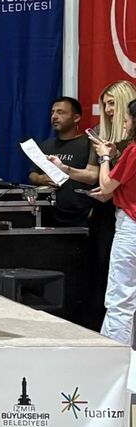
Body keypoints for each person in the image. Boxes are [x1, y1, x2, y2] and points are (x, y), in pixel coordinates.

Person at [88, 99, 136, 346]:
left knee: (120, 297)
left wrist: (105, 157)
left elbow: (106, 185)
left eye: (127, 120)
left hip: (131, 227)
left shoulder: (133, 150)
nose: (124, 124)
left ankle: (113, 355)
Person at [35, 96, 98, 227]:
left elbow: (95, 177)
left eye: (61, 112)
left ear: (76, 118)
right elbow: (32, 174)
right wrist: (41, 179)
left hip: (83, 217)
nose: (54, 117)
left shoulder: (89, 144)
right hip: (49, 217)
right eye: (52, 112)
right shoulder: (46, 145)